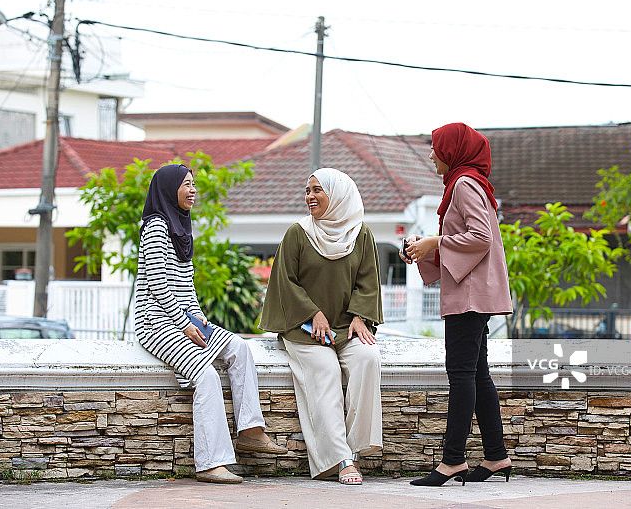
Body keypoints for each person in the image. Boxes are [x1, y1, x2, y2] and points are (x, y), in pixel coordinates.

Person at [134, 163, 286, 485]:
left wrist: (198, 317)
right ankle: (209, 463)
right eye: (187, 184)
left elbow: (185, 286)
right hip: (154, 322)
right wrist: (183, 322)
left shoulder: (182, 226)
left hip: (183, 317)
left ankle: (250, 431)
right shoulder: (156, 227)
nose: (193, 191)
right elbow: (159, 286)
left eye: (194, 185)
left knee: (239, 348)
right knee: (206, 374)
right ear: (168, 188)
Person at [401, 123, 513, 486]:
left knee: (462, 376)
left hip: (469, 297)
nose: (432, 154)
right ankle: (496, 456)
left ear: (453, 151)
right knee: (478, 375)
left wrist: (434, 243)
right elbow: (470, 237)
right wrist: (428, 245)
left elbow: (479, 237)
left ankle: (452, 462)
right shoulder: (467, 182)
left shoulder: (463, 184)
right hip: (475, 295)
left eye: (436, 148)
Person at [259, 167, 383, 486]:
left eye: (317, 190)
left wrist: (359, 316)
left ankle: (355, 451)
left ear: (338, 195)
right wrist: (312, 313)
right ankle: (339, 459)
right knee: (326, 370)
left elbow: (368, 280)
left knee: (369, 359)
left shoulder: (360, 233)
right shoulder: (298, 233)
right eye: (307, 190)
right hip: (305, 331)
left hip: (347, 325)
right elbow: (285, 282)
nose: (309, 196)